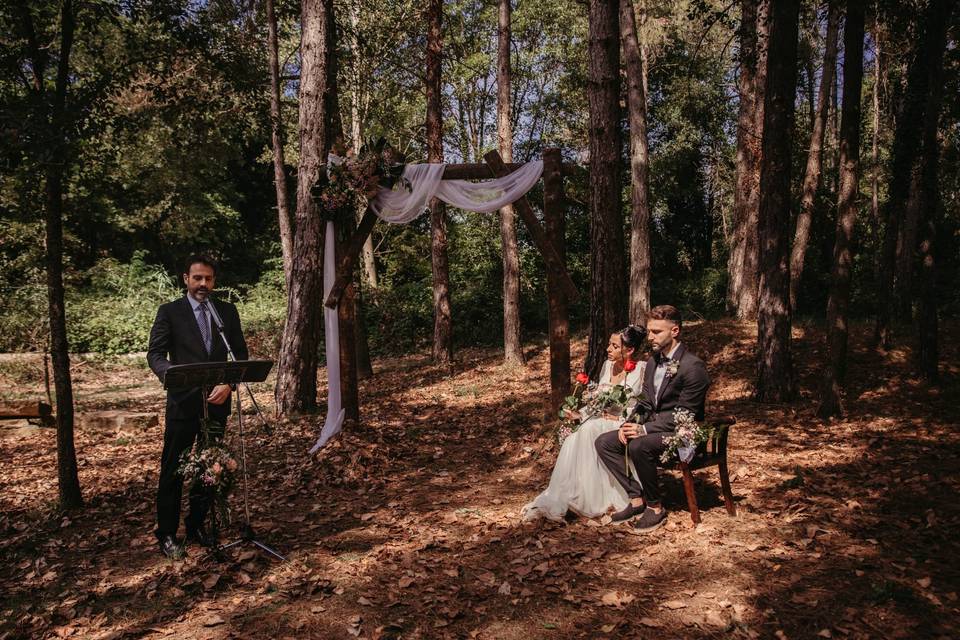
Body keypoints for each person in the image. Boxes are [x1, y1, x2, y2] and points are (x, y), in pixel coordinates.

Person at [147, 255, 249, 558]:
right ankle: (166, 533)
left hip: (217, 403)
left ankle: (196, 526)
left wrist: (229, 384)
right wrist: (173, 376)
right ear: (186, 279)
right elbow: (155, 354)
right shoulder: (170, 312)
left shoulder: (226, 312)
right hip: (182, 402)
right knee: (173, 468)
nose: (203, 284)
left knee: (211, 467)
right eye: (197, 278)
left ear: (214, 281)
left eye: (208, 279)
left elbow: (239, 355)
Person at [595, 305, 709, 533]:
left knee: (639, 444)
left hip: (682, 436)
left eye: (657, 331)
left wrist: (644, 430)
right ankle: (636, 499)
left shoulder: (693, 367)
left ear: (675, 331)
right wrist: (629, 424)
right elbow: (645, 402)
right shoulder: (653, 362)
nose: (650, 337)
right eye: (649, 331)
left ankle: (655, 507)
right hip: (655, 431)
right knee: (604, 442)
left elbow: (684, 417)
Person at [521, 326, 647, 522]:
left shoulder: (641, 370)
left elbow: (643, 405)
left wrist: (622, 419)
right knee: (577, 432)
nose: (608, 349)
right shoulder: (607, 365)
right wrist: (580, 413)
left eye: (614, 346)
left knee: (590, 429)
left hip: (622, 423)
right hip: (600, 418)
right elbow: (597, 400)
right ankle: (572, 492)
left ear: (629, 350)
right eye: (609, 344)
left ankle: (594, 498)